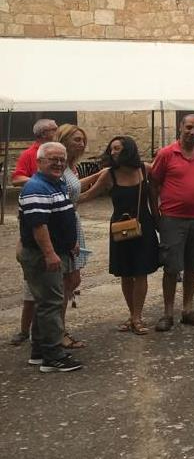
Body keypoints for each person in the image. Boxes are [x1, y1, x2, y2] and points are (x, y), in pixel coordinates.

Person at [80, 136, 160, 334]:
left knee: (141, 272)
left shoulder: (145, 169)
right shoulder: (109, 174)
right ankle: (133, 315)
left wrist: (160, 224)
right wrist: (63, 201)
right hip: (120, 227)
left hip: (144, 226)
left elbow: (154, 198)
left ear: (129, 150)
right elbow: (89, 195)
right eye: (112, 149)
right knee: (125, 273)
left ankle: (137, 317)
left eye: (118, 148)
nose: (113, 152)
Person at [17, 142, 82, 372]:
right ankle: (53, 356)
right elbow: (39, 226)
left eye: (61, 159)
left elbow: (61, 216)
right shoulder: (37, 187)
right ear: (39, 162)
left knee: (44, 302)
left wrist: (70, 242)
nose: (58, 163)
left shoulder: (57, 183)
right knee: (51, 303)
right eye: (52, 159)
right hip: (42, 256)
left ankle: (38, 351)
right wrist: (50, 253)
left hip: (57, 251)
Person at [148, 114, 194, 331]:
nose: (192, 132)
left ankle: (187, 309)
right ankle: (167, 313)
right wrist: (156, 215)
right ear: (180, 127)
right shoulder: (166, 154)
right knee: (172, 267)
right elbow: (153, 185)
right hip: (172, 219)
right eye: (189, 128)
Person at [52, 124, 98, 349]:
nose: (81, 144)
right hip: (65, 226)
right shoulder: (58, 166)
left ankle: (55, 329)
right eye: (76, 140)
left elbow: (74, 192)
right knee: (65, 281)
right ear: (63, 139)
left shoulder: (71, 167)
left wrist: (98, 176)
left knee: (72, 280)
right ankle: (56, 332)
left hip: (73, 222)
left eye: (83, 140)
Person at [12, 118, 58, 186]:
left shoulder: (60, 151)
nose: (58, 132)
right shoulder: (28, 154)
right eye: (54, 130)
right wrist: (43, 181)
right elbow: (17, 179)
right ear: (43, 134)